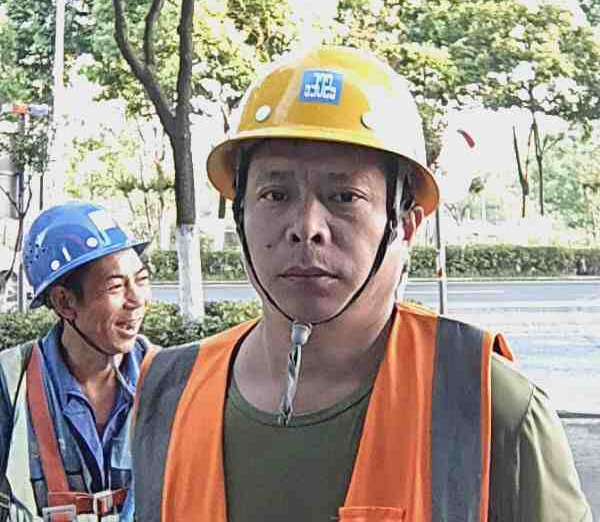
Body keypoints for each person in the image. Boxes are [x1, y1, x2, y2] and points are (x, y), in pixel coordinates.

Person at [131, 46, 592, 521]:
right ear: (241, 213)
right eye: (275, 194)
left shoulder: (492, 406)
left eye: (344, 196)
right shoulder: (168, 393)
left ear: (405, 224)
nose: (307, 227)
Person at [0, 201, 152, 521]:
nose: (137, 299)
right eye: (115, 286)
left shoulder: (167, 378)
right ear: (65, 302)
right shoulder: (9, 383)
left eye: (141, 279)